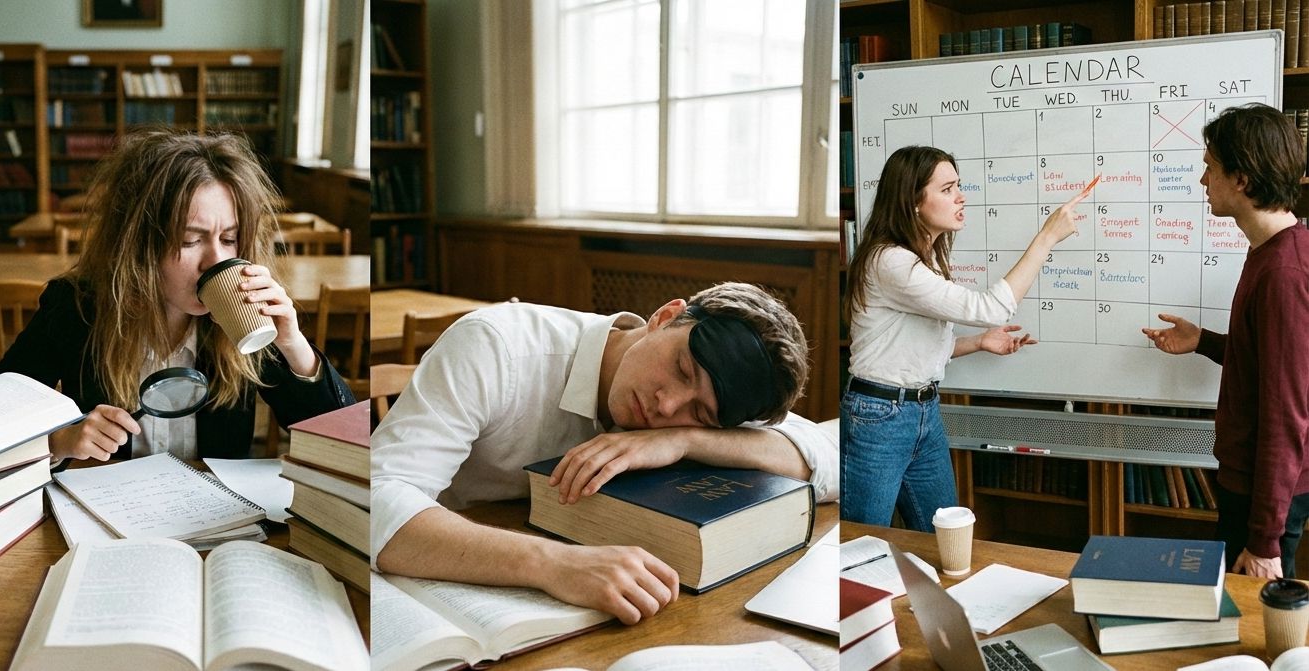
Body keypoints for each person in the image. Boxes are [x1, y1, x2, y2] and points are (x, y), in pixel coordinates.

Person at [371, 282, 837, 624]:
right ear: (665, 316)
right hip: (431, 582)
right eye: (681, 369)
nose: (667, 406)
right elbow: (379, 500)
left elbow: (828, 459)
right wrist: (553, 564)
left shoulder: (704, 410)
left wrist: (684, 440)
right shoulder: (497, 346)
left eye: (700, 412)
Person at [0, 128, 355, 464]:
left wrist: (294, 346)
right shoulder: (76, 307)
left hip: (220, 522)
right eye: (189, 240)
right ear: (138, 247)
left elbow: (342, 444)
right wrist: (58, 441)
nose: (217, 261)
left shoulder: (245, 312)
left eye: (230, 239)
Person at [841, 145, 1088, 530]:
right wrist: (1046, 238)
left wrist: (978, 343)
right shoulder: (890, 261)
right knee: (863, 541)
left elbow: (903, 352)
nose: (961, 196)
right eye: (947, 188)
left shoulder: (925, 258)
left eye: (958, 186)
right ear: (913, 202)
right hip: (880, 416)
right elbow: (991, 307)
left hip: (922, 410)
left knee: (944, 535)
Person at [1143, 103, 1309, 579]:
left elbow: (1286, 413)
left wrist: (1263, 542)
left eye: (1209, 168)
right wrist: (1205, 342)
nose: (1202, 181)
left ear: (1241, 178)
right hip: (1253, 485)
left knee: (1255, 636)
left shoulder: (1283, 272)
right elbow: (1269, 363)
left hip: (1266, 496)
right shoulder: (1272, 253)